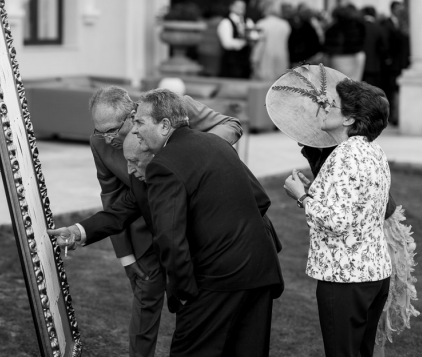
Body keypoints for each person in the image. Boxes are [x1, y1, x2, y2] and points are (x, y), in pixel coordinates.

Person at [51, 89, 283, 356]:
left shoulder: (165, 165)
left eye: (135, 162)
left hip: (215, 280)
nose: (131, 172)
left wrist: (183, 294)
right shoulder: (213, 145)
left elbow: (171, 241)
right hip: (261, 271)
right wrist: (78, 231)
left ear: (162, 130)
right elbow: (260, 199)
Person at [84, 86, 243, 357]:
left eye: (112, 130)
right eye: (100, 131)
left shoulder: (176, 107)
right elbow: (111, 196)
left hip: (195, 229)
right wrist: (126, 256)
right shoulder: (100, 142)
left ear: (133, 114)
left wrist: (192, 153)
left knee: (198, 304)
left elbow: (231, 125)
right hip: (144, 234)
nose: (107, 138)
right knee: (144, 307)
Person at [284, 79, 393, 357]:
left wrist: (301, 197)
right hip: (374, 273)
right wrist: (313, 193)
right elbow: (356, 208)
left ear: (348, 118)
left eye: (333, 104)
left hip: (346, 278)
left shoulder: (345, 155)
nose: (325, 108)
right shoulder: (372, 150)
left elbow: (336, 222)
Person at [381, 1, 410, 124]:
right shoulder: (405, 32)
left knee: (395, 92)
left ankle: (396, 116)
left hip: (398, 65)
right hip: (404, 64)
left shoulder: (400, 33)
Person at [251, 1, 292, 80]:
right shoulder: (285, 24)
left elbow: (259, 44)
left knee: (265, 86)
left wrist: (254, 59)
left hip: (265, 57)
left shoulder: (261, 24)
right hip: (282, 56)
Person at [324, 4, 367, 80]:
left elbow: (328, 46)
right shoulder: (358, 26)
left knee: (339, 82)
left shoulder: (332, 28)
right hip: (355, 56)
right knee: (354, 83)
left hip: (338, 57)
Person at [217, 0, 255, 78]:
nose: (241, 8)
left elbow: (254, 35)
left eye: (243, 6)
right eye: (238, 6)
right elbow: (227, 43)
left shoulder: (248, 21)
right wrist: (244, 42)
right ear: (231, 7)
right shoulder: (226, 22)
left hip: (245, 61)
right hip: (231, 62)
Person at [361, 6, 388, 88]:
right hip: (374, 65)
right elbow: (384, 47)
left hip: (360, 64)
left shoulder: (359, 27)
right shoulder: (379, 28)